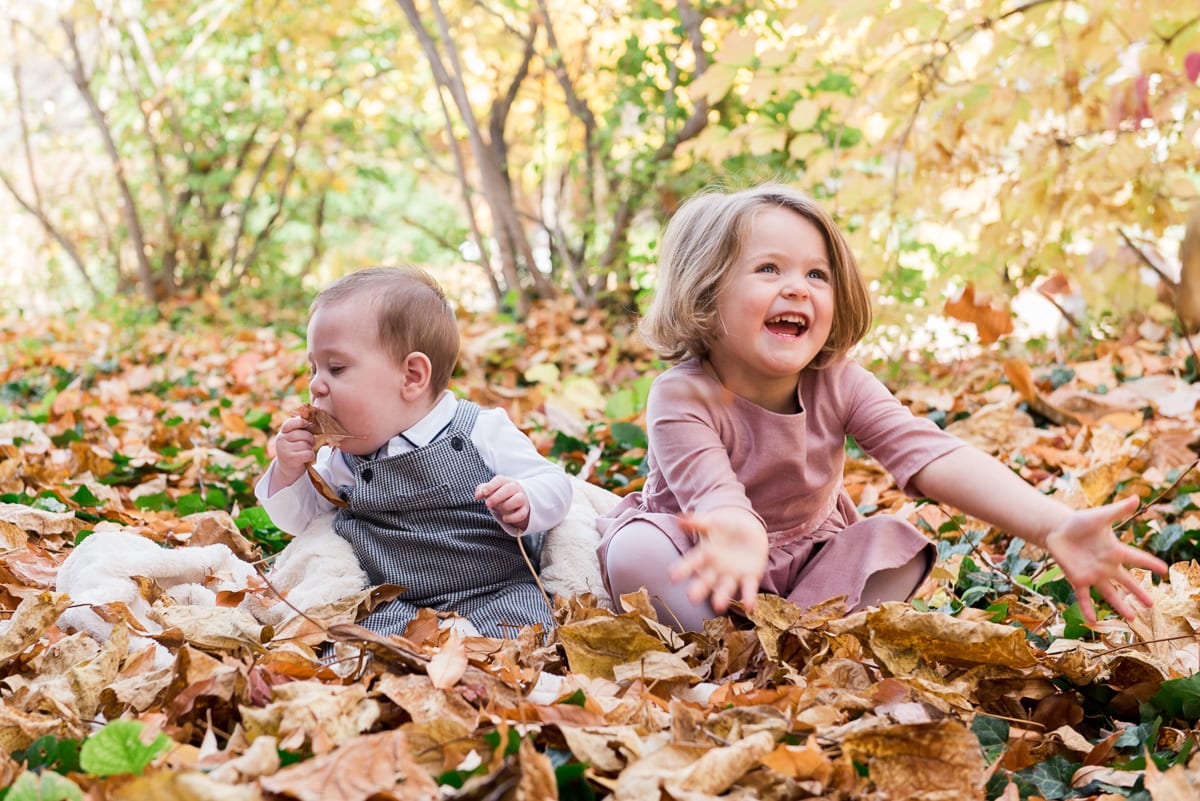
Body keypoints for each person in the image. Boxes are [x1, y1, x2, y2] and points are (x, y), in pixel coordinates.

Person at [598, 183, 1167, 632]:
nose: (798, 288)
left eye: (816, 274)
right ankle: (722, 646)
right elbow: (714, 496)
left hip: (807, 562)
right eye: (769, 268)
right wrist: (737, 532)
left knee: (892, 544)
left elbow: (932, 456)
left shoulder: (839, 381)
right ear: (704, 291)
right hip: (703, 551)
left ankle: (799, 637)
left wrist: (1054, 524)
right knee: (637, 554)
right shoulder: (682, 394)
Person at [257, 265, 572, 639]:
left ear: (412, 377)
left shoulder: (479, 431)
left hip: (494, 587)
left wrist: (526, 500)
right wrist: (288, 472)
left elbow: (555, 483)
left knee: (529, 631)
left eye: (336, 368)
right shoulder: (341, 458)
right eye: (313, 368)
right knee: (350, 635)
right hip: (391, 599)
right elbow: (300, 521)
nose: (315, 385)